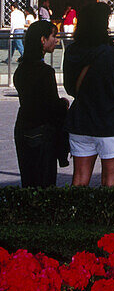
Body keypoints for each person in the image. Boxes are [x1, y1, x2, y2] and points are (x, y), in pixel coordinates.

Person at [63, 1, 114, 188]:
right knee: (111, 182)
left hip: (81, 122)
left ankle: (75, 215)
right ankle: (106, 218)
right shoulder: (113, 53)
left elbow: (69, 88)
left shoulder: (72, 51)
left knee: (80, 180)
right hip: (111, 122)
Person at [13, 20, 69, 187]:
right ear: (42, 40)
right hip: (42, 133)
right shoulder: (45, 72)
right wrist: (63, 104)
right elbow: (51, 105)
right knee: (44, 182)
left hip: (23, 128)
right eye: (54, 36)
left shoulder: (21, 69)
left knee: (28, 181)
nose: (56, 40)